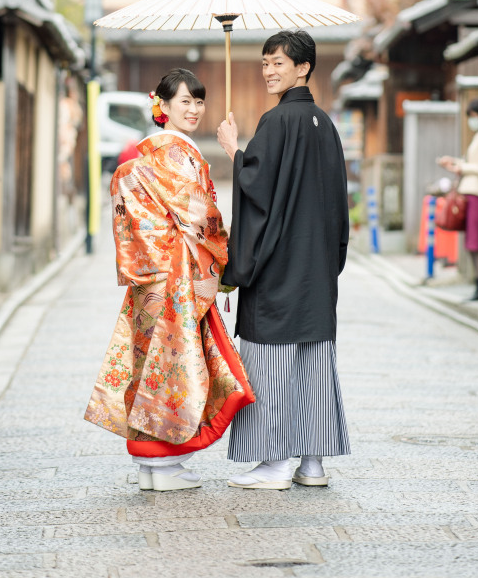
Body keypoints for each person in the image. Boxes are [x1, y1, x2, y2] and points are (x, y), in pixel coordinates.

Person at [85, 67, 254, 492]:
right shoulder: (178, 154)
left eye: (199, 101)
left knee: (151, 365)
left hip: (152, 278)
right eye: (185, 102)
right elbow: (202, 220)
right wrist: (220, 260)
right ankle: (162, 465)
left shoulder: (148, 154)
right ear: (161, 105)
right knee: (175, 368)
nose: (195, 109)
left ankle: (153, 466)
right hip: (179, 276)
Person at [217, 29, 351, 491]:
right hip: (315, 268)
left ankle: (274, 463)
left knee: (271, 363)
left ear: (303, 67)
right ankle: (311, 464)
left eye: (279, 62)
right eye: (265, 62)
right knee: (314, 364)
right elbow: (338, 201)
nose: (270, 70)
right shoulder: (324, 124)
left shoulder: (276, 123)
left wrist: (235, 149)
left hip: (278, 267)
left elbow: (258, 190)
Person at [438, 98, 478, 301]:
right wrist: (455, 162)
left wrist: (461, 167)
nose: (471, 120)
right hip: (470, 193)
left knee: (477, 241)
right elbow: (471, 163)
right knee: (472, 241)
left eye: (474, 115)